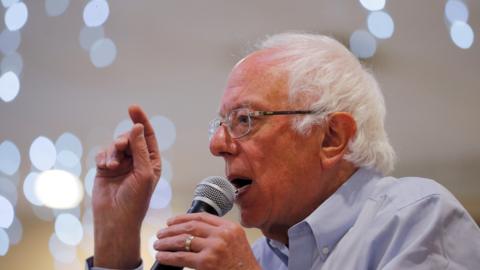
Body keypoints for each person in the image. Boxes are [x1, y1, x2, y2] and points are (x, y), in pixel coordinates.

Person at [87, 33, 480, 270]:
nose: (216, 144)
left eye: (245, 119)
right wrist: (115, 246)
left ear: (330, 137)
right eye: (220, 124)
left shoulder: (417, 219)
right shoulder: (265, 256)